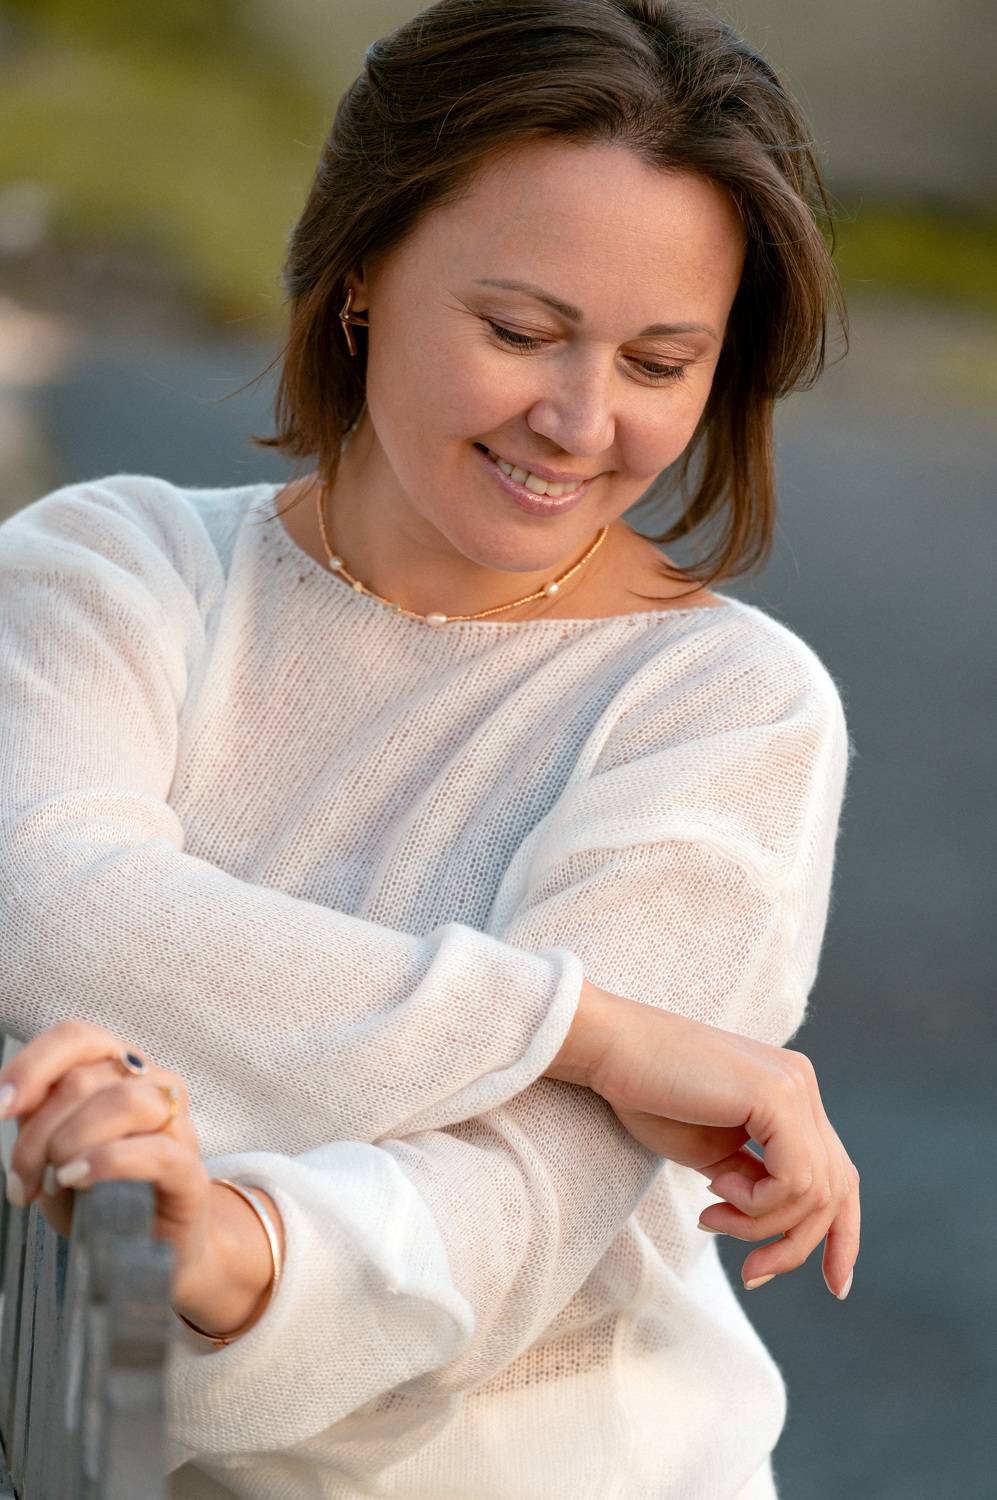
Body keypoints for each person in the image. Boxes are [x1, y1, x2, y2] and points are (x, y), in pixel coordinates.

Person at [0, 0, 860, 1495]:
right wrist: (591, 1033)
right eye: (519, 332)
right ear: (359, 273)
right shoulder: (109, 567)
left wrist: (227, 1240)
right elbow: (48, 904)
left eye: (660, 362)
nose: (579, 420)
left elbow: (520, 1207)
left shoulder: (726, 707)